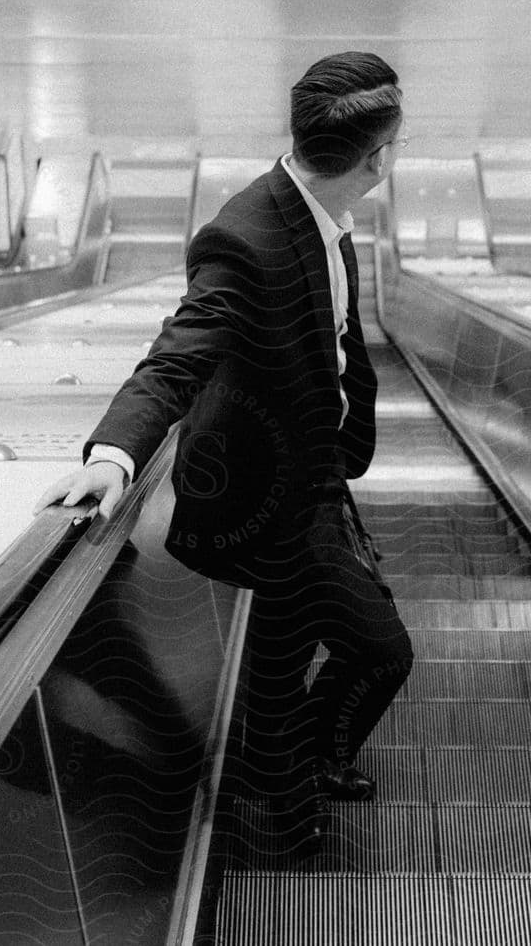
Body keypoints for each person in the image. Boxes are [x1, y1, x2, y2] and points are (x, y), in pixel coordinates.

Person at [36, 50, 415, 849]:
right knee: (352, 656)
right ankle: (288, 825)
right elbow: (179, 355)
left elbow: (336, 342)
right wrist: (114, 454)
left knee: (334, 657)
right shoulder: (246, 238)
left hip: (315, 477)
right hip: (262, 503)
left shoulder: (325, 215)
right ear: (377, 159)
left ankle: (310, 763)